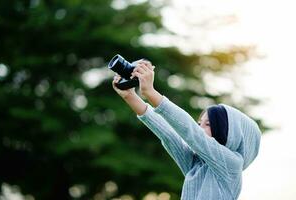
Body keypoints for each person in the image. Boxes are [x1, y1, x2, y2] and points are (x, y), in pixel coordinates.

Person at [112, 60, 261, 200]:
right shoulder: (196, 165)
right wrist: (130, 96)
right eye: (199, 123)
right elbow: (169, 135)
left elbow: (191, 133)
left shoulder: (232, 165)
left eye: (208, 124)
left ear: (230, 134)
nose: (200, 128)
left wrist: (151, 92)